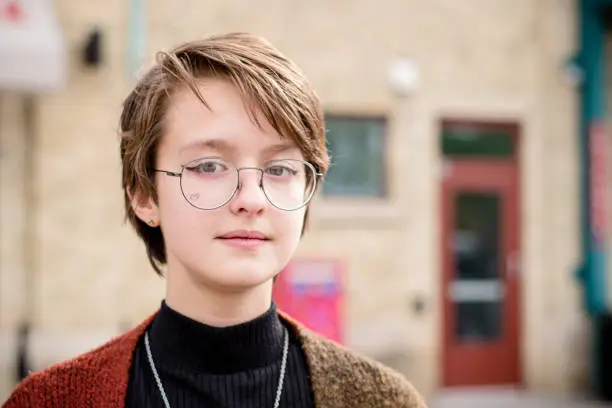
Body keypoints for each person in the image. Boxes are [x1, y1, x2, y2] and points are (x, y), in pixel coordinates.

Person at [3, 32, 427, 408]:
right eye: (208, 166)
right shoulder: (51, 401)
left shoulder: (384, 400)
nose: (250, 199)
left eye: (279, 170)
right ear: (144, 194)